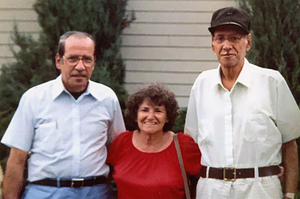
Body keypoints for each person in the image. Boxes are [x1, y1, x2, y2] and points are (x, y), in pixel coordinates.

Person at [184, 7, 300, 199]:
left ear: (248, 42)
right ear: (212, 44)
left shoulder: (272, 82)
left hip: (260, 191)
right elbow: (192, 144)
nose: (227, 45)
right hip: (212, 191)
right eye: (220, 38)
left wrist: (289, 194)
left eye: (234, 38)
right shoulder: (202, 84)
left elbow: (290, 144)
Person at [1, 31, 126, 199]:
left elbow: (118, 151)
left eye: (87, 59)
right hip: (45, 192)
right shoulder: (34, 98)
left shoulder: (107, 99)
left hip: (95, 192)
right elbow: (17, 159)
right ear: (58, 61)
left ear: (94, 62)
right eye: (73, 58)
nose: (80, 67)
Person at [107, 83, 201, 199]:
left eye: (158, 111)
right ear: (135, 116)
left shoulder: (183, 145)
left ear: (167, 117)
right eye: (144, 110)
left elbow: (201, 183)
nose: (150, 116)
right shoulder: (122, 142)